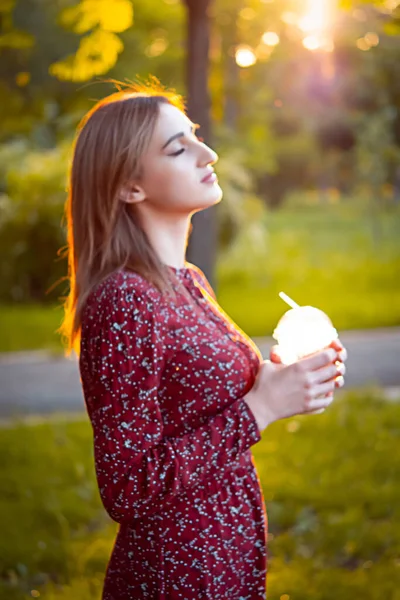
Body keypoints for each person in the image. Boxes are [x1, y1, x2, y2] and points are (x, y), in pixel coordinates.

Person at [58, 80, 347, 600]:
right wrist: (260, 408)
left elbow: (199, 402)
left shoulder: (186, 278)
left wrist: (286, 379)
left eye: (193, 136)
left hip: (224, 559)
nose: (207, 152)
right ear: (129, 187)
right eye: (178, 147)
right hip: (178, 573)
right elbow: (127, 487)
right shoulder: (126, 299)